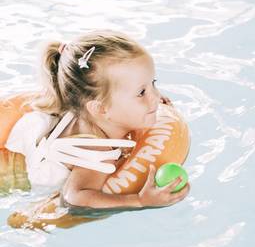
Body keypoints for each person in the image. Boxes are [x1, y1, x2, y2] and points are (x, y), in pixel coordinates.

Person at [6, 31, 190, 211]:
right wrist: (139, 201)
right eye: (142, 92)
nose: (156, 97)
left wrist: (146, 97)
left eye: (153, 84)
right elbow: (75, 197)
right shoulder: (96, 151)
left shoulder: (81, 110)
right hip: (13, 179)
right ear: (100, 108)